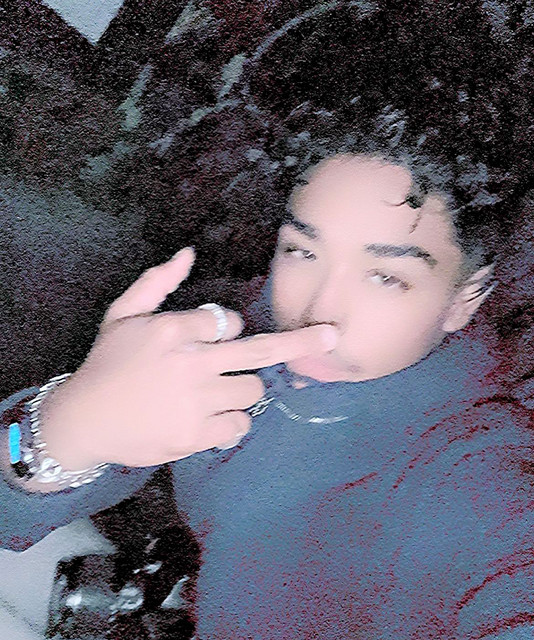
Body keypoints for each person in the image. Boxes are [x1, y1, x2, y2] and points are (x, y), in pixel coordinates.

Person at [2, 3, 534, 638]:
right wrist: (58, 432)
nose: (317, 313)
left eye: (385, 277)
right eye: (303, 251)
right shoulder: (242, 336)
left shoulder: (472, 473)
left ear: (465, 298)